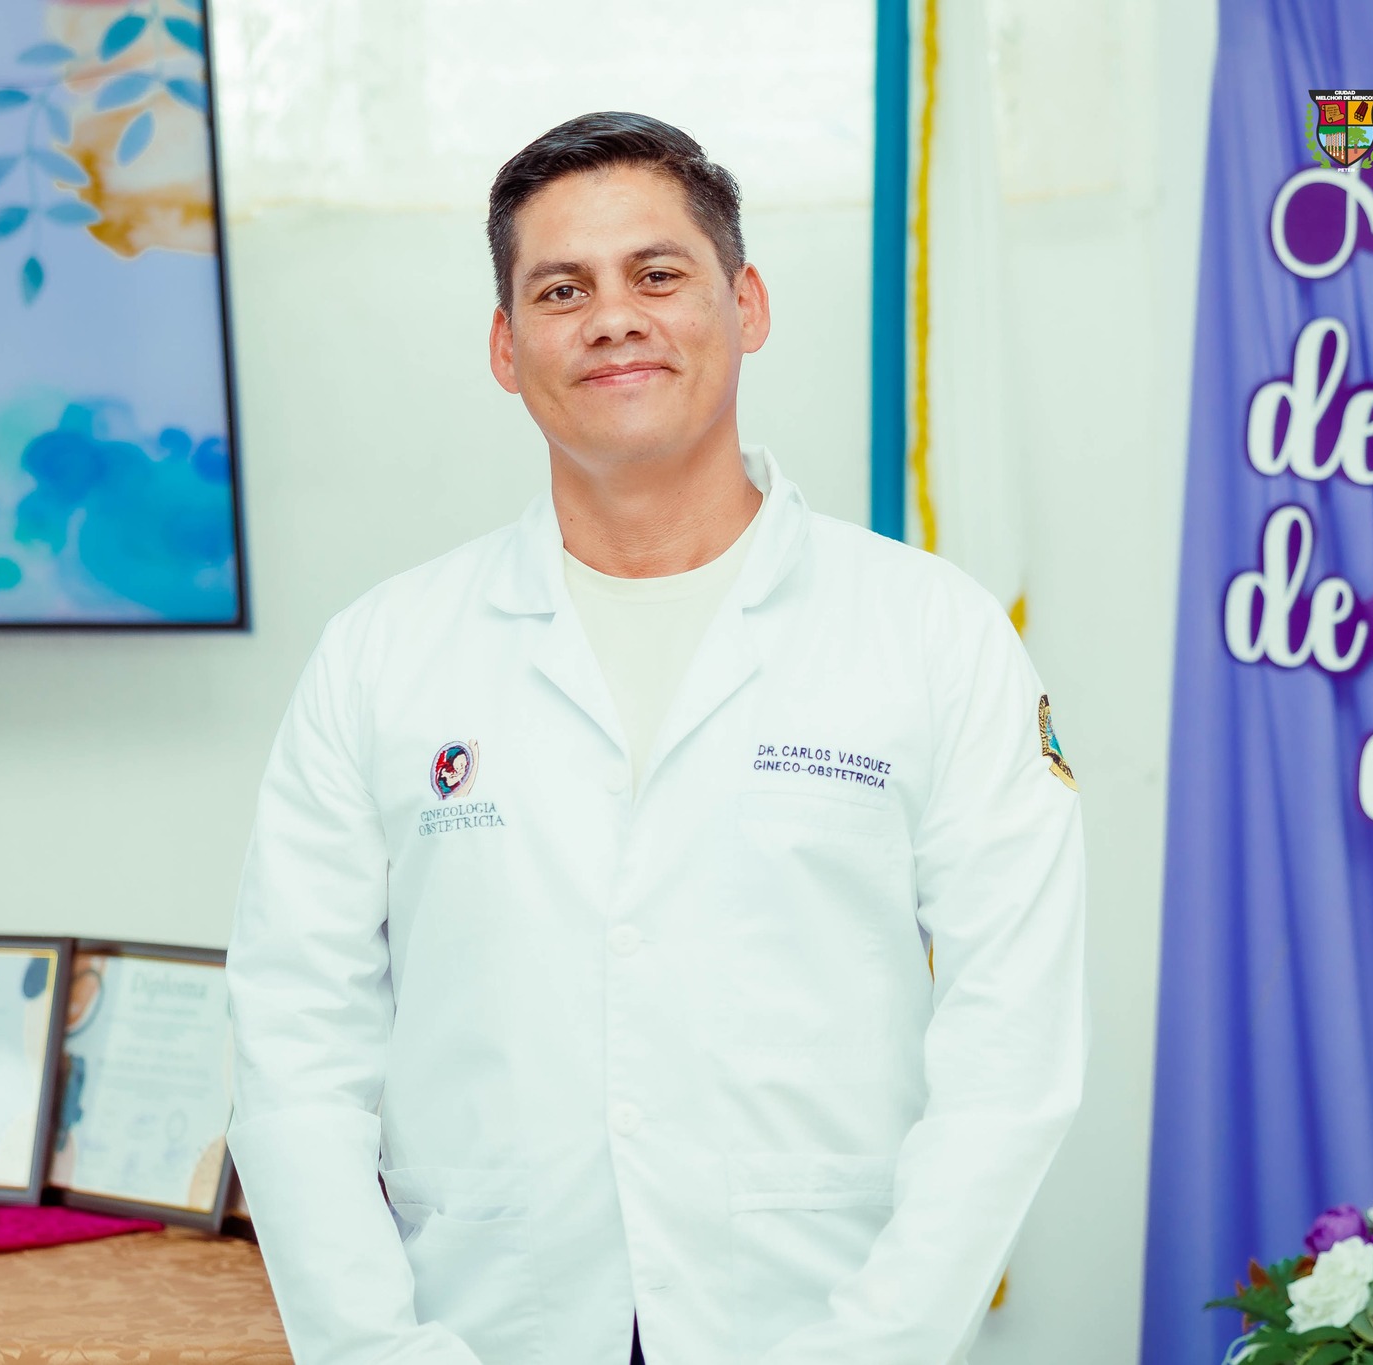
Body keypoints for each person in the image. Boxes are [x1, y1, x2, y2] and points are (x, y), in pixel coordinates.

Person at [225, 111, 1087, 1365]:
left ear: (746, 304)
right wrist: (375, 1351)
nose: (612, 318)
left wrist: (873, 1345)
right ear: (504, 346)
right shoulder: (381, 654)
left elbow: (1011, 1045)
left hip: (822, 1319)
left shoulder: (929, 633)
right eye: (560, 289)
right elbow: (294, 1044)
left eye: (657, 274)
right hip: (486, 1323)